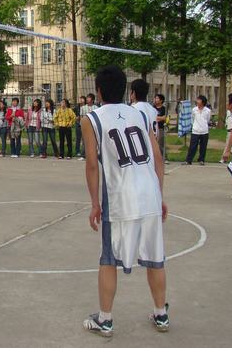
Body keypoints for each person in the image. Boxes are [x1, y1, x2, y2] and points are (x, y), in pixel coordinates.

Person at [80, 65, 168, 337]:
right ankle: (161, 314)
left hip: (120, 198)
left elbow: (92, 165)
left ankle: (105, 319)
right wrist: (160, 195)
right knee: (155, 258)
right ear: (126, 90)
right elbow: (157, 156)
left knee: (108, 258)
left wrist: (95, 203)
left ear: (98, 91)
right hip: (149, 193)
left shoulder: (91, 119)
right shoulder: (141, 114)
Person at [184, 96, 211, 165]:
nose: (197, 101)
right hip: (195, 131)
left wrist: (203, 125)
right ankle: (189, 160)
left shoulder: (207, 111)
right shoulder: (194, 110)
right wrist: (194, 126)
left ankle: (201, 159)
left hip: (204, 131)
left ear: (203, 102)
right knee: (192, 146)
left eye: (199, 100)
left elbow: (207, 120)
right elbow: (192, 118)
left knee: (203, 146)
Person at [78, 94, 99, 161]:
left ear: (92, 100)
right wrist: (81, 124)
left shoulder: (96, 107)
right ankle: (83, 155)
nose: (87, 99)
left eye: (89, 98)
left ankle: (95, 154)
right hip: (85, 125)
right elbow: (81, 117)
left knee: (94, 140)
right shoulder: (83, 107)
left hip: (93, 126)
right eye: (87, 98)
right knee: (84, 141)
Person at [154, 94, 167, 161]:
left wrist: (157, 118)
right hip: (153, 129)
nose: (155, 100)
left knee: (161, 143)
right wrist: (158, 118)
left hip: (160, 128)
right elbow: (152, 117)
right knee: (153, 143)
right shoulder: (152, 108)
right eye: (155, 98)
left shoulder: (163, 109)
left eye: (157, 98)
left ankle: (164, 158)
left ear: (161, 100)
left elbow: (164, 118)